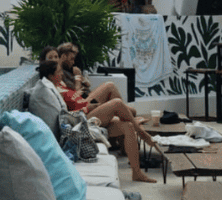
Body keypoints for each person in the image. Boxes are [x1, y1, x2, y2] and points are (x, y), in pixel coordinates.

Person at [38, 56, 156, 184]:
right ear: (51, 76)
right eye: (58, 72)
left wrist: (86, 101)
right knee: (117, 103)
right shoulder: (53, 91)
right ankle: (143, 134)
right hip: (83, 118)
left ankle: (137, 173)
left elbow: (75, 98)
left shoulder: (60, 83)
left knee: (128, 125)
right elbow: (67, 115)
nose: (62, 74)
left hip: (84, 106)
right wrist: (87, 107)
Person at [57, 41, 142, 119]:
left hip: (87, 97)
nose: (73, 62)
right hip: (83, 104)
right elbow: (75, 96)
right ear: (64, 56)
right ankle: (128, 117)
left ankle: (126, 116)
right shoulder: (59, 74)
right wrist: (77, 78)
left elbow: (87, 85)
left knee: (131, 111)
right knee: (110, 87)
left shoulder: (69, 70)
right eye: (71, 59)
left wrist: (82, 80)